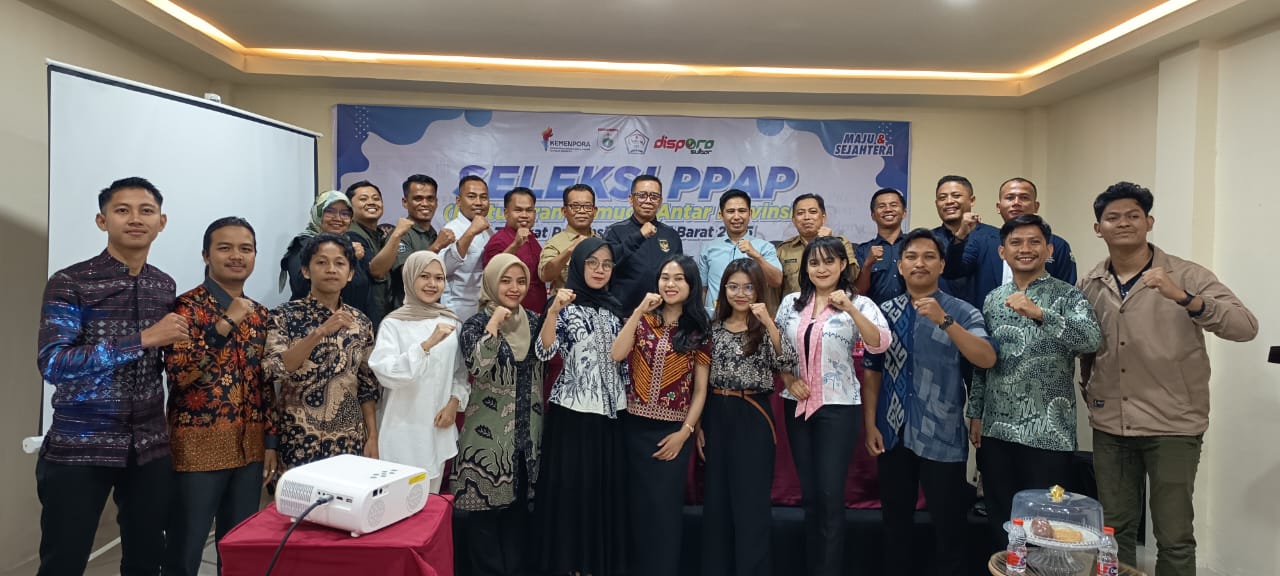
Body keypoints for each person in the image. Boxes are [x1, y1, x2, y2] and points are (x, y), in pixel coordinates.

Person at [1078, 182, 1257, 576]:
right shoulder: (1091, 283)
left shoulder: (1187, 274)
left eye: (1133, 215)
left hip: (1172, 424)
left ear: (1149, 222)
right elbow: (1085, 345)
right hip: (1111, 425)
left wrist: (1185, 298)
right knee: (1113, 531)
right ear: (1098, 228)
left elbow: (1245, 326)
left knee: (1174, 535)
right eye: (1112, 217)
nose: (1123, 223)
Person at [36, 177, 185, 576]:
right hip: (80, 447)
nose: (135, 219)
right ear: (102, 221)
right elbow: (54, 363)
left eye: (146, 211)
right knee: (63, 562)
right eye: (123, 210)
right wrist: (142, 339)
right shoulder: (71, 282)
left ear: (161, 222)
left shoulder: (163, 284)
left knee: (146, 560)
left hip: (148, 447)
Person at [861, 228, 998, 576]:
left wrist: (945, 321)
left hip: (942, 434)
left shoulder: (962, 311)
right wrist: (870, 423)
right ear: (901, 266)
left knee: (949, 528)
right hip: (893, 432)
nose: (919, 263)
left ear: (941, 265)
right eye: (911, 257)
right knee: (895, 526)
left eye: (928, 257)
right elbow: (872, 371)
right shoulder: (883, 313)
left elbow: (986, 358)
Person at [966, 214, 1101, 552]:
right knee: (1001, 518)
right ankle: (1008, 570)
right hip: (997, 428)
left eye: (1034, 242)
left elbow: (1091, 340)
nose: (1025, 249)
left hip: (1048, 433)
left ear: (1049, 250)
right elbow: (984, 359)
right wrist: (976, 411)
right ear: (1002, 252)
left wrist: (1040, 314)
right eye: (1016, 242)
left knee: (1047, 523)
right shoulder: (993, 299)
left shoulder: (1068, 295)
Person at [163, 217, 275, 576]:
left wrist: (270, 441)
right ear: (206, 255)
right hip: (197, 446)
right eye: (225, 248)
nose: (236, 256)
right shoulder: (185, 307)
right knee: (186, 544)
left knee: (238, 545)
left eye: (246, 249)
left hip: (249, 447)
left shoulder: (260, 314)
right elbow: (181, 373)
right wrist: (225, 323)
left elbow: (265, 384)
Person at [775, 235, 891, 576]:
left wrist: (850, 308)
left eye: (829, 261)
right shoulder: (791, 303)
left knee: (829, 496)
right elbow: (777, 348)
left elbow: (879, 343)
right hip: (796, 406)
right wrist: (787, 378)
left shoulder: (860, 303)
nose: (821, 268)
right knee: (810, 496)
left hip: (838, 408)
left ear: (842, 265)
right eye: (814, 262)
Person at [534, 238, 629, 576]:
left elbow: (623, 364)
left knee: (602, 495)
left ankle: (595, 566)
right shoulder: (564, 304)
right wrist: (553, 311)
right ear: (578, 266)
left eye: (606, 264)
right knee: (573, 494)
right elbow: (544, 352)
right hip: (572, 416)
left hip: (611, 416)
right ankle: (569, 566)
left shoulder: (616, 309)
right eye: (592, 263)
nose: (600, 270)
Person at [610, 255, 709, 576]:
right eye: (665, 277)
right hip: (632, 429)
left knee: (663, 513)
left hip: (672, 433)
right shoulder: (643, 320)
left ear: (691, 285)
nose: (670, 284)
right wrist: (639, 310)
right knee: (632, 510)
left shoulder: (698, 330)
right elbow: (616, 353)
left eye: (679, 278)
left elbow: (700, 391)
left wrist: (685, 433)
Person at [700, 258, 796, 576]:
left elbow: (788, 362)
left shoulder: (765, 328)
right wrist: (698, 426)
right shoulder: (711, 329)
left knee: (751, 504)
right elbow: (699, 381)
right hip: (716, 412)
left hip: (753, 414)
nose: (740, 293)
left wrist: (768, 322)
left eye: (748, 287)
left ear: (758, 291)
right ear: (723, 289)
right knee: (717, 502)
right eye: (733, 286)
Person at [455, 254, 545, 576]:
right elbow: (478, 366)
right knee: (483, 517)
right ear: (492, 283)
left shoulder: (534, 321)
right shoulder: (474, 324)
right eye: (505, 281)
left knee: (518, 515)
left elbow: (549, 355)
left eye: (520, 281)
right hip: (488, 436)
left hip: (527, 436)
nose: (514, 288)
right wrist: (493, 323)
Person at [265, 233, 380, 473]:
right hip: (297, 441)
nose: (331, 269)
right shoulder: (283, 315)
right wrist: (319, 333)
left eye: (339, 263)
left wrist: (372, 436)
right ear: (306, 271)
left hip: (348, 442)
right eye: (321, 262)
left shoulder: (361, 322)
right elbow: (273, 370)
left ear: (350, 274)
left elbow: (367, 385)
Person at [367, 251, 468, 494]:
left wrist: (454, 402)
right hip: (402, 427)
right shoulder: (394, 323)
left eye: (439, 278)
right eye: (424, 276)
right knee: (397, 499)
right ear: (410, 277)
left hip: (437, 427)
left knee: (430, 499)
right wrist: (426, 345)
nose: (432, 284)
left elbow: (459, 372)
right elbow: (386, 373)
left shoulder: (452, 321)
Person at [944, 177, 1077, 307]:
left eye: (1024, 197)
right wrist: (960, 235)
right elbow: (952, 272)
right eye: (1010, 198)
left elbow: (1068, 293)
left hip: (1042, 319)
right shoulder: (982, 241)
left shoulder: (1057, 245)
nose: (1016, 203)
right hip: (988, 319)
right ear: (998, 207)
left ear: (1036, 206)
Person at [281, 190, 374, 321]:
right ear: (318, 213)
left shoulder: (353, 245)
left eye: (345, 213)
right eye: (330, 211)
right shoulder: (303, 244)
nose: (338, 218)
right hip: (307, 322)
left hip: (352, 324)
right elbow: (302, 285)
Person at [698, 189, 783, 317]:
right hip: (715, 319)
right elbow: (702, 289)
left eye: (742, 211)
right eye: (730, 211)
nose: (736, 217)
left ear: (750, 213)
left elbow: (776, 281)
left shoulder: (764, 247)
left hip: (752, 319)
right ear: (721, 215)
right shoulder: (709, 248)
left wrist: (756, 256)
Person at [605, 175, 684, 313]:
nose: (648, 200)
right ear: (631, 199)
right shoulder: (615, 231)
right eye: (642, 195)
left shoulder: (671, 235)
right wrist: (639, 236)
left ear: (660, 201)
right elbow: (609, 264)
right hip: (624, 313)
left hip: (662, 313)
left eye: (654, 196)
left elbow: (679, 275)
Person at [386, 174, 457, 308]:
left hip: (431, 309)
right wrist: (436, 246)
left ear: (436, 202)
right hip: (406, 312)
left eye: (430, 199)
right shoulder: (400, 234)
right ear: (405, 202)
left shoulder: (433, 233)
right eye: (418, 198)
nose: (425, 204)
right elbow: (407, 273)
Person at [931, 174, 998, 308]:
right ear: (936, 203)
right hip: (938, 316)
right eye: (942, 198)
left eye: (956, 196)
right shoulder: (928, 240)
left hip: (987, 316)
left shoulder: (996, 237)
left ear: (972, 200)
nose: (949, 201)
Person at [482, 186, 548, 311]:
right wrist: (515, 245)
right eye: (518, 210)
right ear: (506, 213)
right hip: (509, 314)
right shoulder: (498, 240)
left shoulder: (531, 237)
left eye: (529, 210)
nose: (524, 215)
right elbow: (490, 276)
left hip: (537, 313)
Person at [442, 175, 493, 319]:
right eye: (471, 197)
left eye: (483, 197)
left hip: (484, 308)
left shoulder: (487, 230)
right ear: (458, 201)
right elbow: (445, 268)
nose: (478, 202)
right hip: (457, 310)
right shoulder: (451, 229)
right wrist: (471, 232)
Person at [344, 180, 393, 327]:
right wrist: (397, 235)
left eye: (376, 198)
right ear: (349, 207)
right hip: (361, 319)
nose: (371, 202)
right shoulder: (351, 236)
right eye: (363, 199)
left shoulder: (379, 235)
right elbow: (377, 271)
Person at [539, 183, 602, 294]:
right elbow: (545, 276)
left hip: (598, 302)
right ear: (564, 211)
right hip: (568, 303)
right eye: (575, 206)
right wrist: (570, 250)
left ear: (594, 211)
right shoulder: (555, 243)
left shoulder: (601, 241)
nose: (582, 211)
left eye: (587, 206)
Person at [854, 187, 909, 305]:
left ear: (904, 212)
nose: (888, 209)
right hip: (874, 314)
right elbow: (858, 293)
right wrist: (868, 265)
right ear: (873, 215)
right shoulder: (862, 250)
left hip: (911, 313)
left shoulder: (914, 245)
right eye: (881, 206)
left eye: (894, 205)